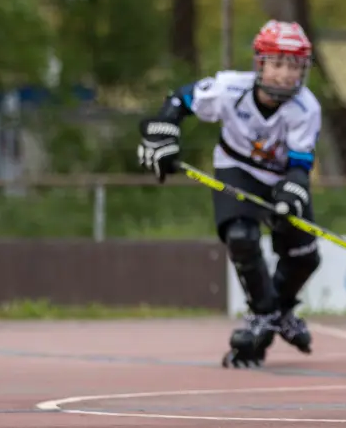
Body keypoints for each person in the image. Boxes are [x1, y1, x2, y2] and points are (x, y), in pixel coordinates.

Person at [137, 20, 322, 368]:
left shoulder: (306, 108)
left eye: (293, 66)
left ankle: (281, 309)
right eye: (277, 63)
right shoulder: (228, 89)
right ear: (261, 64)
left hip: (283, 176)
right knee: (241, 236)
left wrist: (288, 196)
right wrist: (163, 131)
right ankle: (264, 315)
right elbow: (180, 99)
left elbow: (300, 163)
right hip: (237, 168)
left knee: (305, 256)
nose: (285, 74)